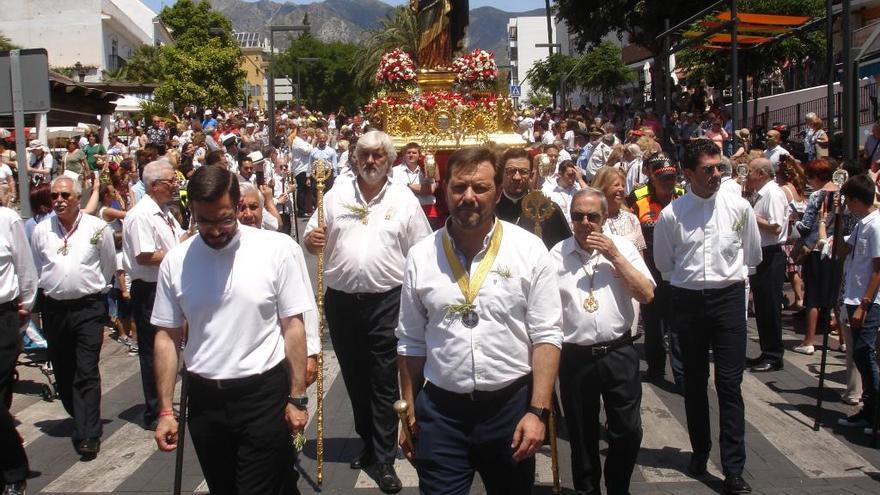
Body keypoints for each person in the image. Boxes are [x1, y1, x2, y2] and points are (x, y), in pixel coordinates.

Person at [397, 146, 563, 495]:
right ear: (446, 190)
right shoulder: (420, 255)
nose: (468, 197)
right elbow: (411, 341)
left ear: (498, 192)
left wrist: (538, 411)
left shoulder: (529, 250)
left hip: (510, 410)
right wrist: (409, 413)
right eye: (459, 188)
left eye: (480, 188)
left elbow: (547, 335)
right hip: (442, 413)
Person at [152, 167, 312, 494]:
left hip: (263, 395)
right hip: (205, 399)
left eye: (224, 219)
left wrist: (297, 397)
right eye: (204, 222)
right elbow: (166, 338)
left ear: (238, 206)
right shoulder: (176, 261)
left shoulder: (275, 250)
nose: (214, 231)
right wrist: (166, 410)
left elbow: (293, 327)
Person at [303, 130, 431, 493]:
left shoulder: (404, 198)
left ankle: (386, 457)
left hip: (387, 301)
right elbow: (313, 237)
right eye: (365, 155)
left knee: (382, 379)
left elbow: (421, 250)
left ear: (389, 160)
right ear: (355, 158)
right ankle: (367, 442)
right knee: (355, 377)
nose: (371, 161)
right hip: (342, 301)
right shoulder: (336, 194)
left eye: (378, 155)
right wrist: (312, 241)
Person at [653, 139, 762, 495]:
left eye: (720, 168)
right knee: (695, 382)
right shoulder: (672, 214)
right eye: (708, 169)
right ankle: (700, 450)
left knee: (730, 385)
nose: (716, 175)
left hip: (728, 299)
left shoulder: (739, 207)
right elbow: (665, 266)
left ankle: (734, 468)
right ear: (688, 174)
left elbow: (751, 256)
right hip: (687, 300)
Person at [550, 187, 655, 495]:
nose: (585, 223)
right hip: (575, 356)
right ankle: (587, 490)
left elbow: (647, 294)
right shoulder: (556, 254)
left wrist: (615, 256)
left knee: (628, 431)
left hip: (618, 351)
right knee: (581, 436)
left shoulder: (623, 248)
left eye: (592, 216)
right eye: (577, 216)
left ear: (605, 216)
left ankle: (618, 486)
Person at [30, 176, 116, 457]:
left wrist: (93, 292)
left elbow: (107, 266)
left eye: (65, 195)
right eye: (54, 196)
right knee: (64, 371)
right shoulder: (41, 231)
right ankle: (78, 413)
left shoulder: (97, 228)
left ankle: (89, 433)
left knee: (86, 369)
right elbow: (36, 268)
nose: (59, 201)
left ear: (78, 197)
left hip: (88, 308)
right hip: (54, 310)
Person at [122, 160, 185, 430]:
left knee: (171, 345)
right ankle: (156, 408)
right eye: (171, 181)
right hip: (149, 289)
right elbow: (145, 255)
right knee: (153, 351)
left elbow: (179, 239)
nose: (175, 185)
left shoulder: (165, 212)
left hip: (167, 286)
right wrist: (177, 254)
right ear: (155, 185)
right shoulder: (140, 215)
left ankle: (164, 401)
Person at [628, 154, 685, 387]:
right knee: (653, 325)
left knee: (678, 326)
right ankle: (655, 369)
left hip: (678, 269)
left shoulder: (683, 196)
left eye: (671, 177)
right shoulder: (638, 196)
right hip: (650, 269)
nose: (668, 182)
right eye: (663, 177)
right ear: (652, 175)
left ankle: (682, 376)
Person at [835, 174, 880, 432]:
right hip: (852, 295)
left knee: (864, 353)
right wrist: (840, 218)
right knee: (859, 356)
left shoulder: (875, 225)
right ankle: (869, 409)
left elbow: (878, 267)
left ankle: (875, 409)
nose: (847, 205)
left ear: (856, 199)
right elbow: (842, 251)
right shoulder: (861, 224)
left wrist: (864, 304)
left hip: (868, 300)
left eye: (848, 201)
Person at [0, 206, 37, 495]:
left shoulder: (7, 219)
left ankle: (14, 469)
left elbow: (25, 268)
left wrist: (25, 309)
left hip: (4, 316)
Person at [743, 158, 789, 372]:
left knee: (770, 306)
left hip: (771, 255)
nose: (747, 175)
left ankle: (773, 355)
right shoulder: (761, 194)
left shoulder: (772, 193)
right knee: (762, 306)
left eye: (750, 171)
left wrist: (751, 216)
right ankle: (766, 350)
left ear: (761, 173)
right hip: (761, 254)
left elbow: (775, 227)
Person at [793, 159, 839, 355]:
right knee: (836, 295)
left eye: (810, 176)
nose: (809, 181)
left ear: (819, 177)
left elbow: (805, 226)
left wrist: (795, 220)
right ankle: (844, 341)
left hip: (816, 249)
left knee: (813, 296)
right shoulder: (842, 193)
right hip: (838, 249)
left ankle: (809, 341)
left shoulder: (817, 196)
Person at [494, 147, 571, 250]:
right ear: (501, 174)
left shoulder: (548, 210)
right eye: (510, 171)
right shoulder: (490, 209)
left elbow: (564, 250)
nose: (517, 177)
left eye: (523, 172)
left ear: (531, 175)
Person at [592, 167, 645, 252]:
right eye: (616, 185)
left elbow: (640, 254)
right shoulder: (590, 219)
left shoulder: (631, 219)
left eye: (623, 186)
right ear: (602, 188)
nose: (621, 189)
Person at [391, 142, 441, 229]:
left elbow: (430, 190)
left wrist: (408, 186)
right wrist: (420, 188)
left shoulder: (426, 169)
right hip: (404, 210)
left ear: (419, 156)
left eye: (414, 153)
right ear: (404, 155)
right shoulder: (395, 171)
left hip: (427, 210)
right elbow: (396, 191)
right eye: (408, 153)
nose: (411, 155)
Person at [541, 160, 586, 224]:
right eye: (570, 175)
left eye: (574, 175)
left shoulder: (577, 187)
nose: (573, 178)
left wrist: (580, 179)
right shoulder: (548, 190)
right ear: (560, 174)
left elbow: (591, 195)